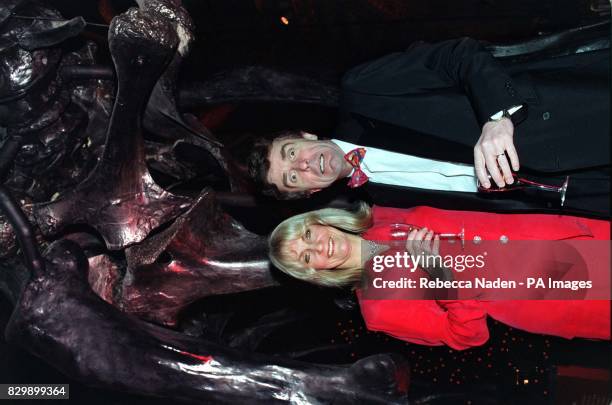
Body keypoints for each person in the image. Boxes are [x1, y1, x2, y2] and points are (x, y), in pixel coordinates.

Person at [248, 33, 610, 217]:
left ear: (305, 135)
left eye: (292, 152)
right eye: (293, 176)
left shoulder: (362, 92)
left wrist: (497, 119)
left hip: (570, 121)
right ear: (310, 192)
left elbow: (457, 54)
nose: (305, 164)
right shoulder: (386, 203)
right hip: (579, 195)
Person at [267, 203, 610, 350]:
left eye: (308, 236)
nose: (320, 248)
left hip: (568, 237)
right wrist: (441, 276)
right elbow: (466, 338)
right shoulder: (378, 308)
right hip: (561, 292)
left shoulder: (382, 219)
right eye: (307, 257)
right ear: (313, 272)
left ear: (318, 222)